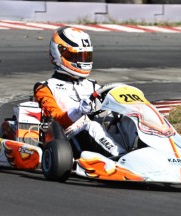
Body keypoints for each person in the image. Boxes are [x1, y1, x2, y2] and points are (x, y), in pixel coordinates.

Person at [33, 26, 126, 158]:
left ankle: (148, 152)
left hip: (99, 136)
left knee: (126, 121)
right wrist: (79, 110)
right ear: (60, 53)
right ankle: (122, 158)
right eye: (76, 56)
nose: (82, 61)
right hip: (68, 141)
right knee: (92, 126)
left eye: (85, 56)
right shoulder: (45, 88)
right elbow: (56, 120)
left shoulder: (93, 86)